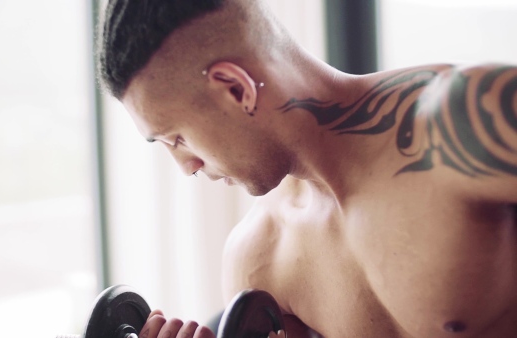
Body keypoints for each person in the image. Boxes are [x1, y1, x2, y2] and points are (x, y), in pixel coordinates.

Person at [98, 0, 517, 337]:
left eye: (177, 138)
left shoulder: (466, 122)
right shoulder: (258, 257)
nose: (186, 167)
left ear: (235, 88)